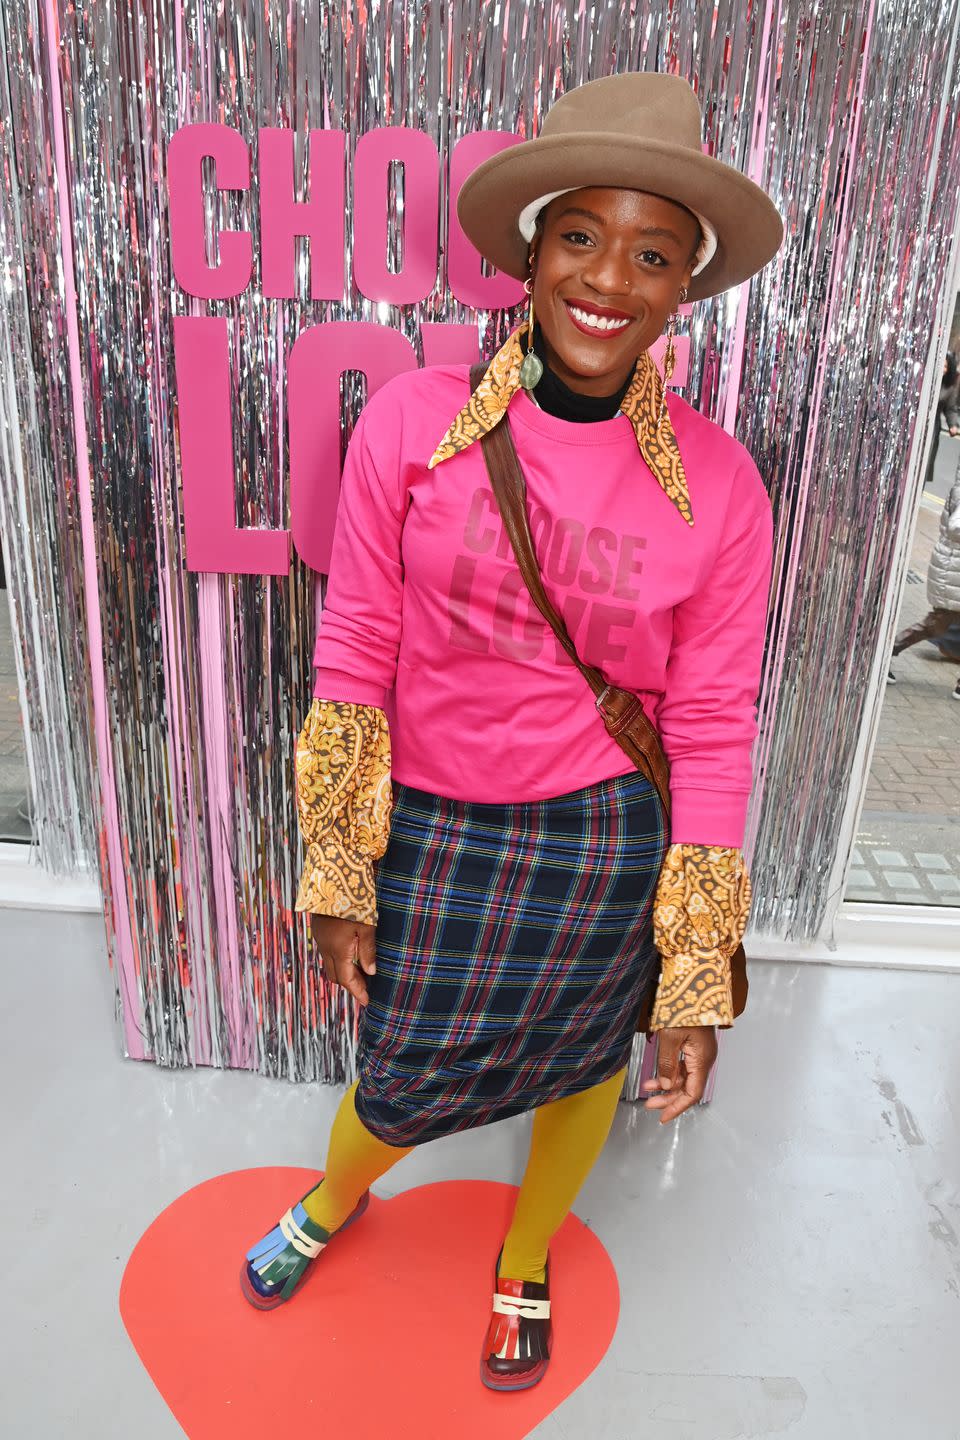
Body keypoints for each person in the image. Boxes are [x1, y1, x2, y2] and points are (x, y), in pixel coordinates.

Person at [240, 72, 782, 1390]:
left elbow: (711, 725)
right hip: (431, 818)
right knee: (402, 1071)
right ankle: (333, 1195)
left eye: (653, 254)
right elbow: (357, 651)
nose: (609, 278)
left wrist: (695, 977)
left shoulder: (721, 484)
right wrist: (339, 867)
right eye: (582, 236)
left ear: (682, 290)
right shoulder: (416, 427)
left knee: (582, 1057)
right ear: (533, 252)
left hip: (599, 834)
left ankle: (526, 1256)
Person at [890, 471, 960, 701]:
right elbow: (955, 527)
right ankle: (887, 652)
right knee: (935, 625)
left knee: (937, 625)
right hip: (953, 570)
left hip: (953, 568)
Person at [923, 351, 959, 490]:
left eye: (946, 367)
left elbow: (950, 409)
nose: (943, 370)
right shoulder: (926, 378)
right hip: (917, 423)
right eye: (941, 365)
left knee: (925, 462)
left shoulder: (949, 388)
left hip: (933, 427)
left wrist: (952, 425)